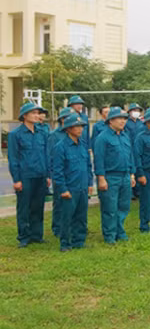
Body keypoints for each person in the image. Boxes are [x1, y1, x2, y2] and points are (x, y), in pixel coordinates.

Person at [8, 102, 50, 248]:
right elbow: (13, 158)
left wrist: (48, 175)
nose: (37, 116)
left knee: (38, 207)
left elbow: (46, 154)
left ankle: (37, 235)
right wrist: (17, 179)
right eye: (33, 113)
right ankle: (24, 237)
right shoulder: (15, 135)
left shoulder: (42, 133)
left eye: (38, 113)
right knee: (24, 208)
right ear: (24, 116)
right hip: (25, 176)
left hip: (40, 175)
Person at [51, 113, 94, 252]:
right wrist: (63, 189)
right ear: (68, 129)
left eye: (81, 126)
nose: (80, 129)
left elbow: (88, 165)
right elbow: (57, 171)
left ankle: (79, 241)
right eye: (76, 126)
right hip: (70, 187)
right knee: (67, 217)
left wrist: (89, 183)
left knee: (81, 216)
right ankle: (65, 243)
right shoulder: (60, 147)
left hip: (82, 187)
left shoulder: (83, 145)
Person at [93, 106, 136, 244]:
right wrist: (101, 178)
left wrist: (132, 174)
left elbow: (130, 155)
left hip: (125, 175)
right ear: (111, 121)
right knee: (110, 207)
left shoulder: (125, 136)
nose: (123, 121)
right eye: (119, 119)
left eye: (124, 119)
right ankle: (110, 235)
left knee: (124, 206)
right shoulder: (103, 137)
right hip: (110, 176)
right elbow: (99, 159)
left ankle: (120, 232)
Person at [48, 107, 73, 238]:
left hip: (73, 173)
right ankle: (57, 228)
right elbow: (51, 156)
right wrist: (51, 174)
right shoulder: (54, 135)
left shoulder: (75, 134)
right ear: (62, 119)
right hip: (60, 173)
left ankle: (72, 226)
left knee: (73, 201)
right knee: (59, 201)